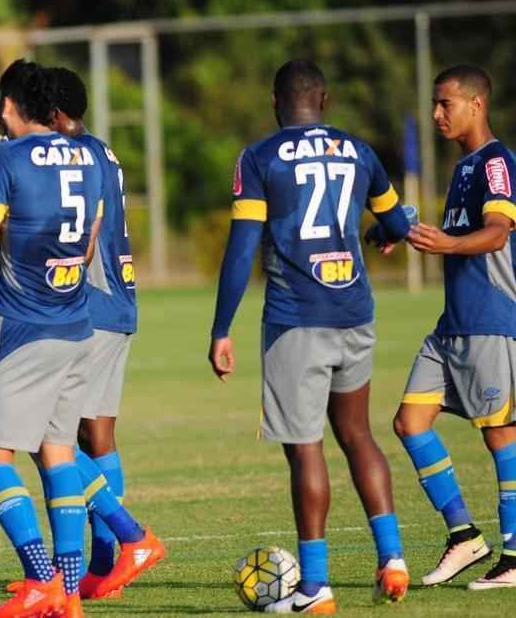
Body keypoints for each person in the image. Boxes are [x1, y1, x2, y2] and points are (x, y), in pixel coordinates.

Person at [208, 60, 413, 613]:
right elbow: (398, 222)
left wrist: (221, 328)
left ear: (277, 101)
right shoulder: (359, 150)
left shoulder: (259, 157)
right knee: (359, 436)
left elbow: (242, 248)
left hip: (296, 319)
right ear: (324, 100)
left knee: (306, 450)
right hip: (355, 311)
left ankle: (315, 585)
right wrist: (380, 232)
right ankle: (392, 558)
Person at [0, 60, 103, 618]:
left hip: (24, 326)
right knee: (58, 455)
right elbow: (88, 244)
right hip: (76, 325)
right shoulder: (88, 155)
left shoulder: (9, 156)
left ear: (7, 107)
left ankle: (42, 580)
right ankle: (68, 594)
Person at [394, 64, 516, 589]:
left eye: (446, 104)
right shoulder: (465, 167)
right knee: (409, 422)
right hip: (452, 326)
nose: (437, 113)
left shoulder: (494, 164)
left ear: (476, 105)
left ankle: (513, 558)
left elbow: (495, 235)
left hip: (491, 321)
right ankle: (464, 534)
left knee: (501, 436)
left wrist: (445, 244)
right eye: (435, 104)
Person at [47, 68, 164, 600]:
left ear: (51, 116)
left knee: (52, 436)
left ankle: (121, 545)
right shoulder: (102, 149)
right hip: (117, 301)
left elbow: (83, 238)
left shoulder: (73, 157)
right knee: (94, 437)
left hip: (87, 305)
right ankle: (101, 569)